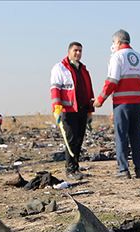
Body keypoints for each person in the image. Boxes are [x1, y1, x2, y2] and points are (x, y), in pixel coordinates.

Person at [93, 29, 140, 178]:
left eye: (113, 42)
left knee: (121, 136)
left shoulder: (117, 57)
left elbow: (112, 81)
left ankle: (123, 170)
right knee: (137, 137)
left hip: (122, 104)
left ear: (118, 42)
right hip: (137, 104)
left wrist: (100, 100)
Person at [50, 41, 95, 179]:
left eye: (80, 51)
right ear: (69, 51)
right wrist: (57, 108)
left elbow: (89, 91)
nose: (78, 53)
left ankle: (76, 167)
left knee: (79, 139)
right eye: (75, 50)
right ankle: (70, 169)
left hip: (81, 110)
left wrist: (89, 110)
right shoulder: (60, 68)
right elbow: (55, 89)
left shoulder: (83, 70)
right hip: (67, 111)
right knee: (71, 140)